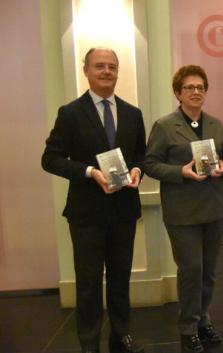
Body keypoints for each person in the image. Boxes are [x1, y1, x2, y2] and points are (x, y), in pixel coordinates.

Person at [41, 48, 145, 353]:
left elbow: (141, 153)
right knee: (87, 283)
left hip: (124, 210)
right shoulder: (70, 113)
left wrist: (138, 169)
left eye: (112, 66)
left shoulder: (132, 113)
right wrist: (89, 172)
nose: (106, 71)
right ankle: (88, 343)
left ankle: (121, 335)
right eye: (99, 66)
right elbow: (50, 159)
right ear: (85, 70)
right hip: (86, 213)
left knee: (119, 278)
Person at [143, 65, 223, 353]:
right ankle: (187, 327)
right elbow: (150, 163)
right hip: (183, 212)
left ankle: (204, 319)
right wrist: (180, 172)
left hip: (214, 208)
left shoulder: (216, 124)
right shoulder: (165, 125)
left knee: (208, 271)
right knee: (191, 269)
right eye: (189, 88)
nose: (196, 92)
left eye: (200, 87)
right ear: (178, 93)